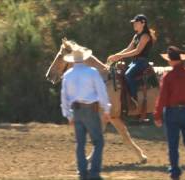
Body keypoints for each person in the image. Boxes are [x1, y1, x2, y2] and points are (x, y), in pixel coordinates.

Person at [61, 46, 111, 180]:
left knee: (80, 143)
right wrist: (106, 109)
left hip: (76, 111)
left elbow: (64, 97)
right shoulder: (92, 72)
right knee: (98, 141)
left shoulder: (67, 75)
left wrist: (68, 115)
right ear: (84, 58)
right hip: (90, 109)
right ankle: (94, 173)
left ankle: (82, 173)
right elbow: (101, 91)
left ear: (72, 60)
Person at [154, 46, 185, 180]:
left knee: (173, 144)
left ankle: (175, 172)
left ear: (171, 61)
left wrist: (157, 115)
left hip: (172, 112)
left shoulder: (168, 77)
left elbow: (162, 98)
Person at [107, 14, 156, 107]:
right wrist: (116, 55)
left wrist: (119, 56)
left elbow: (137, 51)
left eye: (136, 23)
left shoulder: (145, 36)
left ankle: (134, 98)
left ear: (143, 23)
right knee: (120, 74)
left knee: (128, 74)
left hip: (142, 62)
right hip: (135, 62)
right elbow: (128, 49)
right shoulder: (136, 36)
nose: (134, 24)